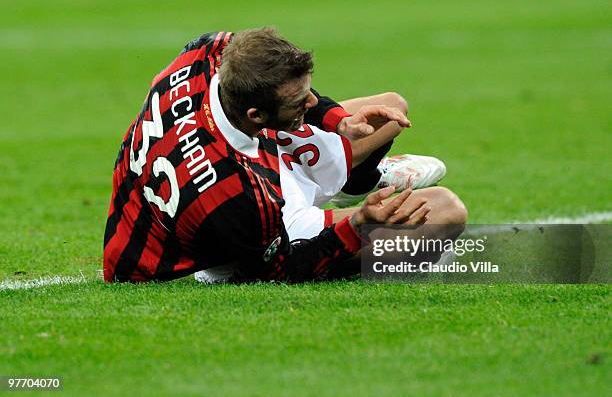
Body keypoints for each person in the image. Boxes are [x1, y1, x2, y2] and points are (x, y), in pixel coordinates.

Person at [103, 28, 467, 283]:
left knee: (390, 109)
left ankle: (358, 183)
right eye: (299, 102)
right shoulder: (238, 197)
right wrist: (356, 226)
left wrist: (338, 120)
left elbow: (274, 79)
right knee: (446, 211)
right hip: (237, 239)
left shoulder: (207, 54)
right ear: (256, 116)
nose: (311, 103)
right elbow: (282, 269)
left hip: (243, 163)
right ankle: (342, 206)